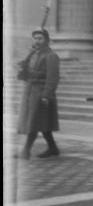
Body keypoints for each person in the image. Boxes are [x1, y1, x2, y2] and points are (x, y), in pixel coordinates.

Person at [17, 28, 60, 159]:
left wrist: (47, 95)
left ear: (46, 40)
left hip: (41, 93)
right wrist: (23, 68)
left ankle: (26, 151)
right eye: (35, 38)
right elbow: (26, 74)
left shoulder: (51, 56)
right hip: (30, 90)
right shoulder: (33, 54)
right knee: (41, 121)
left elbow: (52, 78)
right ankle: (53, 148)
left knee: (34, 122)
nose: (37, 41)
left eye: (40, 38)